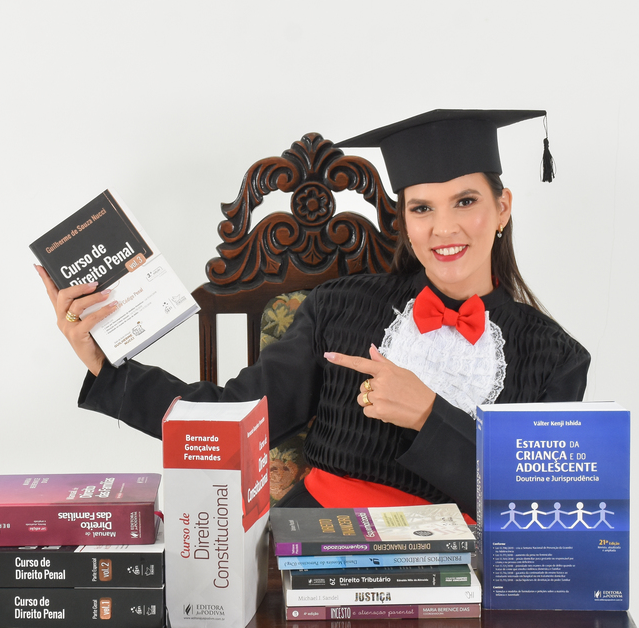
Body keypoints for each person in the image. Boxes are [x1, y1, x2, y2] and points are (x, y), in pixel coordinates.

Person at [36, 110, 589, 516]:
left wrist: (428, 414)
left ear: (502, 207)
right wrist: (107, 369)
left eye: (465, 201)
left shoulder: (556, 358)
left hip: (460, 577)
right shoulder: (338, 306)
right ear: (405, 220)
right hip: (314, 549)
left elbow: (535, 511)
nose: (444, 228)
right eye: (422, 208)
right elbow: (234, 422)